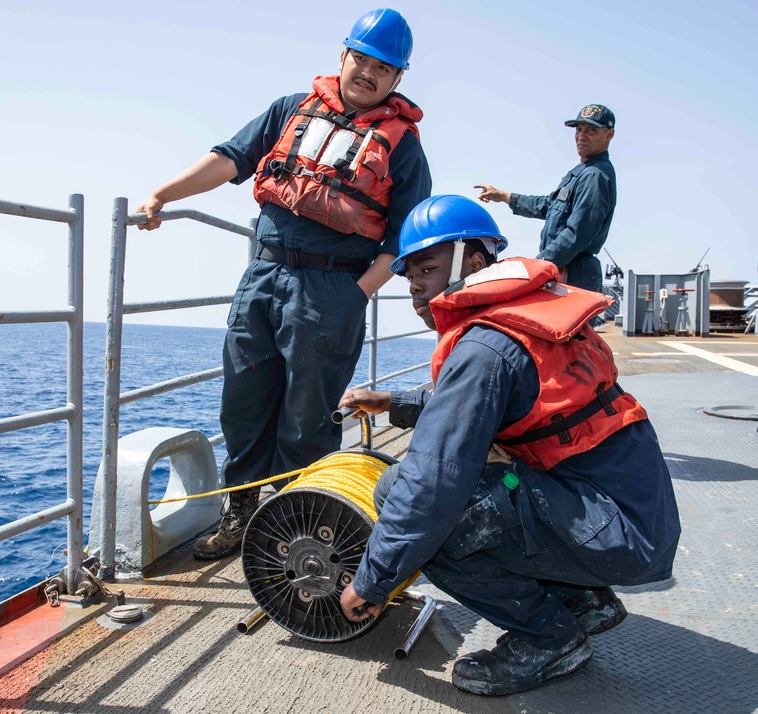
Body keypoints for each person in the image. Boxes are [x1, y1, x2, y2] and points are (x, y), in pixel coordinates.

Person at [338, 195, 680, 696]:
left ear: (475, 263)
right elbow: (498, 400)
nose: (414, 285)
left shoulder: (482, 347)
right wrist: (394, 401)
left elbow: (431, 486)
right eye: (408, 273)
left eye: (428, 268)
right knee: (490, 477)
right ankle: (583, 601)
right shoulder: (520, 318)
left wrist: (372, 580)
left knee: (409, 499)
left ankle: (549, 638)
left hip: (613, 533)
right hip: (628, 516)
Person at [135, 9, 432, 560]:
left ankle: (298, 530)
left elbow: (402, 241)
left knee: (307, 418)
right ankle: (242, 513)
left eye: (383, 68)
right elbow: (228, 160)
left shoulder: (404, 148)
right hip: (263, 276)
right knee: (244, 403)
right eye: (360, 59)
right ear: (342, 56)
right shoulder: (289, 109)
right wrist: (163, 195)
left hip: (332, 288)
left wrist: (355, 294)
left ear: (397, 80)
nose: (367, 73)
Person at [474, 104, 617, 294]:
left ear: (609, 135)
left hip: (574, 271)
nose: (582, 136)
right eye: (579, 129)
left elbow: (578, 233)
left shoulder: (595, 175)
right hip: (564, 266)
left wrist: (541, 264)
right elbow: (548, 206)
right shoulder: (582, 173)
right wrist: (504, 197)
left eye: (591, 130)